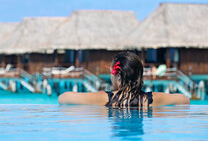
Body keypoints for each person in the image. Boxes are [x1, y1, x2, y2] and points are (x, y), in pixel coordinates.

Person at [58, 52, 190, 107]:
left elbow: (63, 98)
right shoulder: (152, 99)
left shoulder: (104, 98)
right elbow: (185, 100)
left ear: (117, 75)